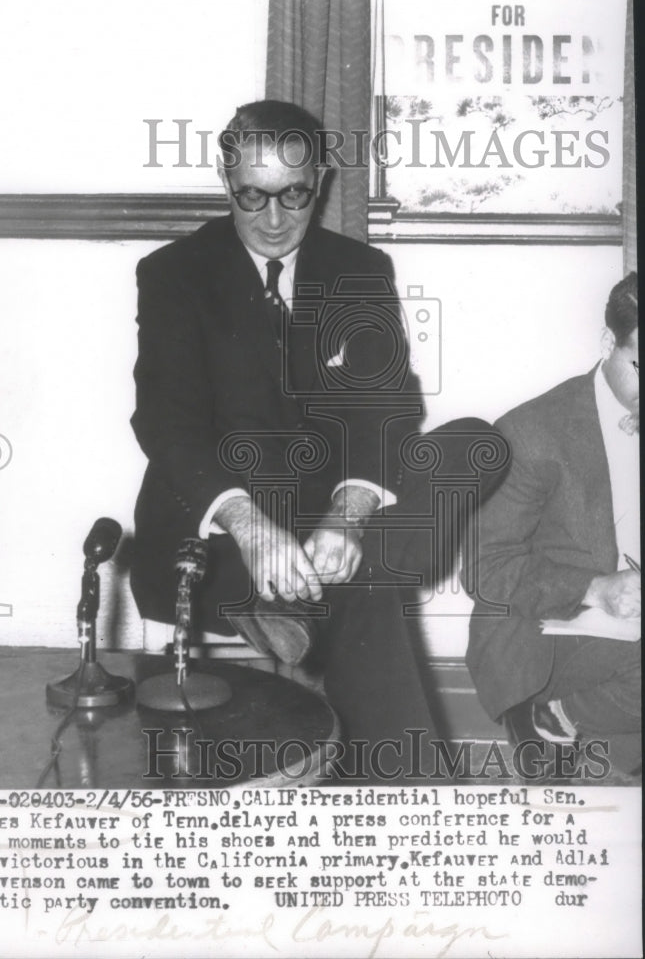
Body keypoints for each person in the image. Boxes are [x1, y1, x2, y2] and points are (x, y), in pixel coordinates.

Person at [131, 100, 507, 781]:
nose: (273, 220)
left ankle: (302, 599)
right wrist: (250, 526)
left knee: (476, 444)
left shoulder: (359, 270)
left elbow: (385, 410)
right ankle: (412, 809)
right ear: (225, 180)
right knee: (372, 585)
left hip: (328, 525)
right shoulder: (172, 274)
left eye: (294, 195)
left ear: (323, 180)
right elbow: (165, 424)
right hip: (216, 540)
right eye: (252, 196)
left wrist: (346, 517)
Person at [466, 272, 640, 778]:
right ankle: (550, 713)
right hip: (546, 630)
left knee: (613, 788)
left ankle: (571, 724)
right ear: (609, 341)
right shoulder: (530, 432)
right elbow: (484, 568)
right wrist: (598, 588)